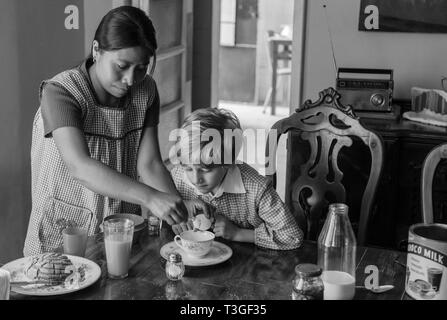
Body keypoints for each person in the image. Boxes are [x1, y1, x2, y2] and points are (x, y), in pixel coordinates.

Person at [24, 6, 207, 256]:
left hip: (120, 226)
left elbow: (150, 164)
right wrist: (151, 197)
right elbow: (80, 168)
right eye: (122, 66)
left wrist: (176, 206)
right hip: (66, 226)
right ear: (97, 50)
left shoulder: (146, 91)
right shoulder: (61, 92)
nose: (131, 79)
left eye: (141, 67)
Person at [169, 108, 303, 250]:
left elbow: (292, 236)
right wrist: (175, 219)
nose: (196, 179)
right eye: (189, 168)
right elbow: (156, 213)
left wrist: (238, 233)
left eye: (205, 170)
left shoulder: (256, 189)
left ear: (228, 163)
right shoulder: (177, 176)